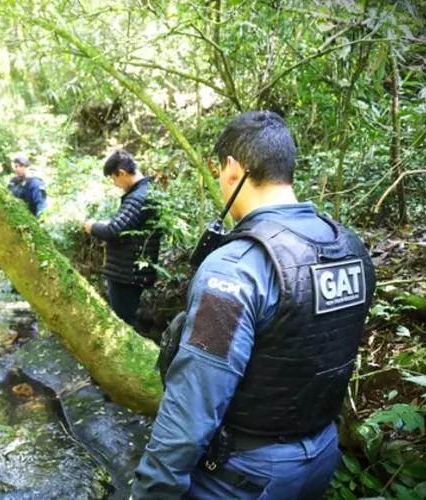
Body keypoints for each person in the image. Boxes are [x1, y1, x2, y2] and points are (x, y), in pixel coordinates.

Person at [132, 111, 376, 498]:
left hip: (245, 475)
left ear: (232, 169)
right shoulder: (348, 247)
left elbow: (193, 403)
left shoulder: (234, 269)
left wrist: (151, 491)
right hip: (320, 454)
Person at [84, 150, 162, 328]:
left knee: (125, 322)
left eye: (114, 178)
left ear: (122, 173)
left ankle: (136, 355)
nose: (115, 184)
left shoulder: (138, 196)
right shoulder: (147, 191)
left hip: (127, 273)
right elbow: (127, 225)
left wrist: (92, 226)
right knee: (129, 318)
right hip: (132, 271)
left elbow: (114, 230)